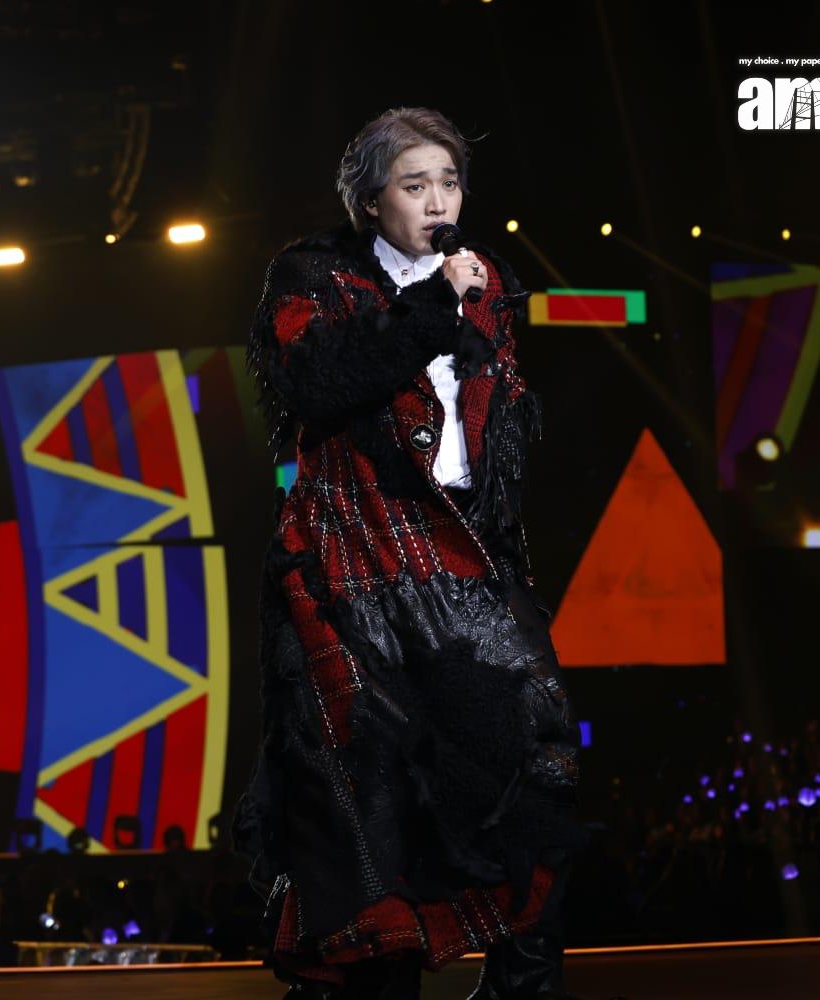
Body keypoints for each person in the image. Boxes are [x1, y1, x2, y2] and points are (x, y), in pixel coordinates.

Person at [235, 107, 588, 999]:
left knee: (539, 759)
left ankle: (522, 983)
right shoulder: (315, 276)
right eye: (414, 184)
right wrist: (434, 308)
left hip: (461, 553)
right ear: (370, 200)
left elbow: (496, 435)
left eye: (450, 183)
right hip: (351, 557)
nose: (438, 203)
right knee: (368, 792)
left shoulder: (486, 281)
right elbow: (320, 381)